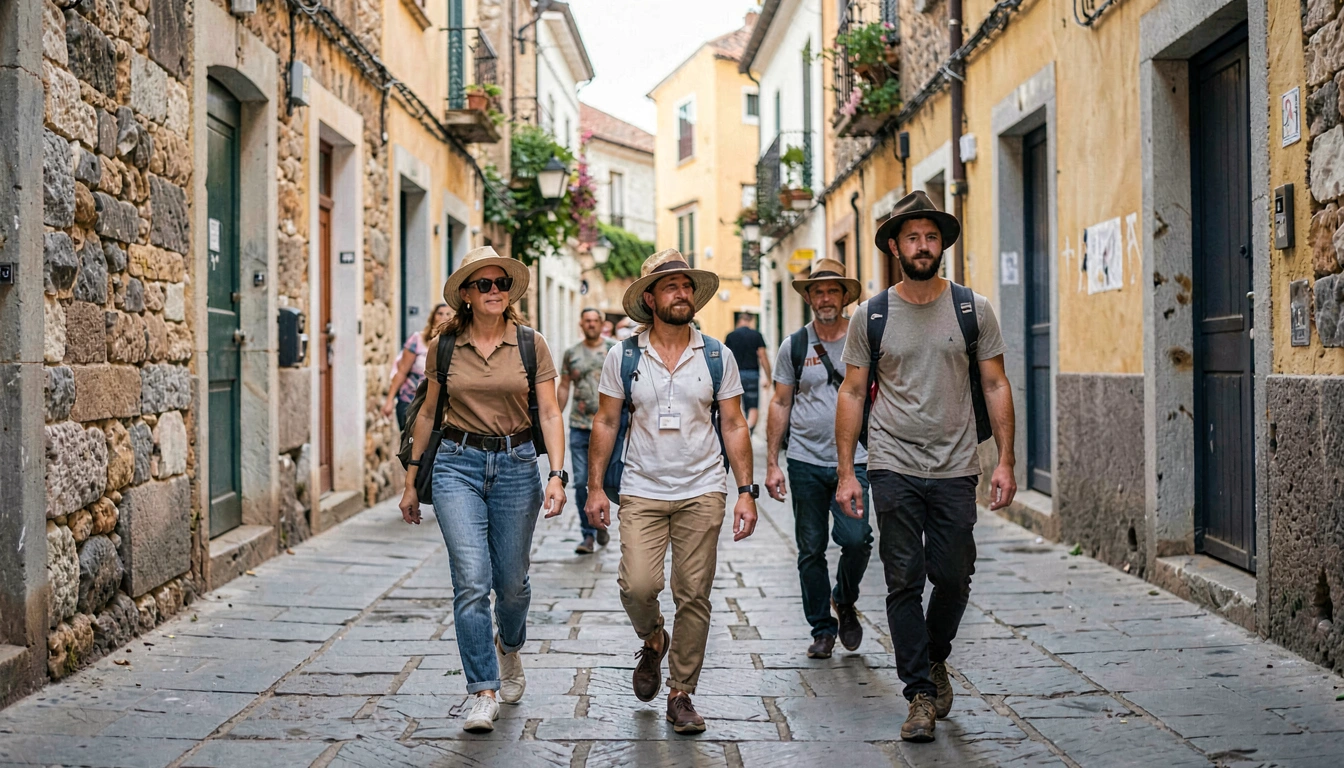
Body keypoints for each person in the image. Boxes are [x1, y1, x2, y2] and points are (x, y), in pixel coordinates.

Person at [834, 191, 1017, 743]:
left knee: (955, 574)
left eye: (931, 237)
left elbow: (995, 383)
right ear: (894, 247)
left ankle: (935, 656)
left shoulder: (972, 309)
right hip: (892, 461)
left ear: (942, 245)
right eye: (912, 237)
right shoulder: (872, 315)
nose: (922, 246)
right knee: (903, 578)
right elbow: (852, 392)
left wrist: (1006, 460)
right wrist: (847, 471)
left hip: (957, 464)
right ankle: (918, 692)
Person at [585, 249, 758, 734]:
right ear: (649, 298)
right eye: (671, 286)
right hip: (641, 487)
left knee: (694, 593)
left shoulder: (717, 355)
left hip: (703, 487)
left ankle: (681, 693)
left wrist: (746, 491)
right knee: (637, 586)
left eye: (687, 286)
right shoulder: (623, 356)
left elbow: (734, 423)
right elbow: (606, 421)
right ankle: (653, 638)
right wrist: (595, 487)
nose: (682, 294)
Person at [398, 246, 569, 734]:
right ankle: (482, 691)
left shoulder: (532, 344)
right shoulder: (444, 346)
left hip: (517, 465)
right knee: (472, 580)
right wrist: (410, 481)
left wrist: (557, 474)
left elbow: (550, 411)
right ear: (467, 295)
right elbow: (427, 413)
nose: (495, 291)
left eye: (501, 283)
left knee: (511, 584)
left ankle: (508, 646)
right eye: (484, 284)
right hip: (456, 465)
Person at [764, 258, 872, 660]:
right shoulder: (793, 345)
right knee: (810, 549)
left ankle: (843, 598)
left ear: (845, 297)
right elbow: (780, 402)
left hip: (857, 460)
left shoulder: (863, 340)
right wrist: (772, 462)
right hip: (806, 460)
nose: (825, 298)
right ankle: (822, 629)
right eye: (818, 291)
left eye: (833, 291)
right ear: (809, 298)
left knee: (857, 539)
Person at [558, 308, 615, 554]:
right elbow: (564, 385)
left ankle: (603, 521)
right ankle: (589, 533)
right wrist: (554, 417)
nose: (591, 324)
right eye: (587, 321)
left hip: (611, 428)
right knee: (581, 481)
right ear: (581, 324)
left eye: (595, 321)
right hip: (580, 426)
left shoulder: (614, 350)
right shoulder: (571, 353)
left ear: (602, 324)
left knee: (609, 480)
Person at [382, 303, 452, 429]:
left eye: (448, 314)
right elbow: (402, 371)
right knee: (411, 439)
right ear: (433, 317)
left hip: (438, 406)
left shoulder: (455, 345)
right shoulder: (417, 340)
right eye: (440, 313)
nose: (444, 317)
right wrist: (389, 400)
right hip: (411, 401)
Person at [724, 312, 770, 433]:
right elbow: (763, 356)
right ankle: (748, 430)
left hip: (735, 375)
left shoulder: (731, 336)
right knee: (752, 406)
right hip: (752, 375)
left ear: (738, 321)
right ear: (750, 321)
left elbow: (725, 358)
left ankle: (739, 430)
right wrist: (769, 378)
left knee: (735, 406)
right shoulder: (756, 335)